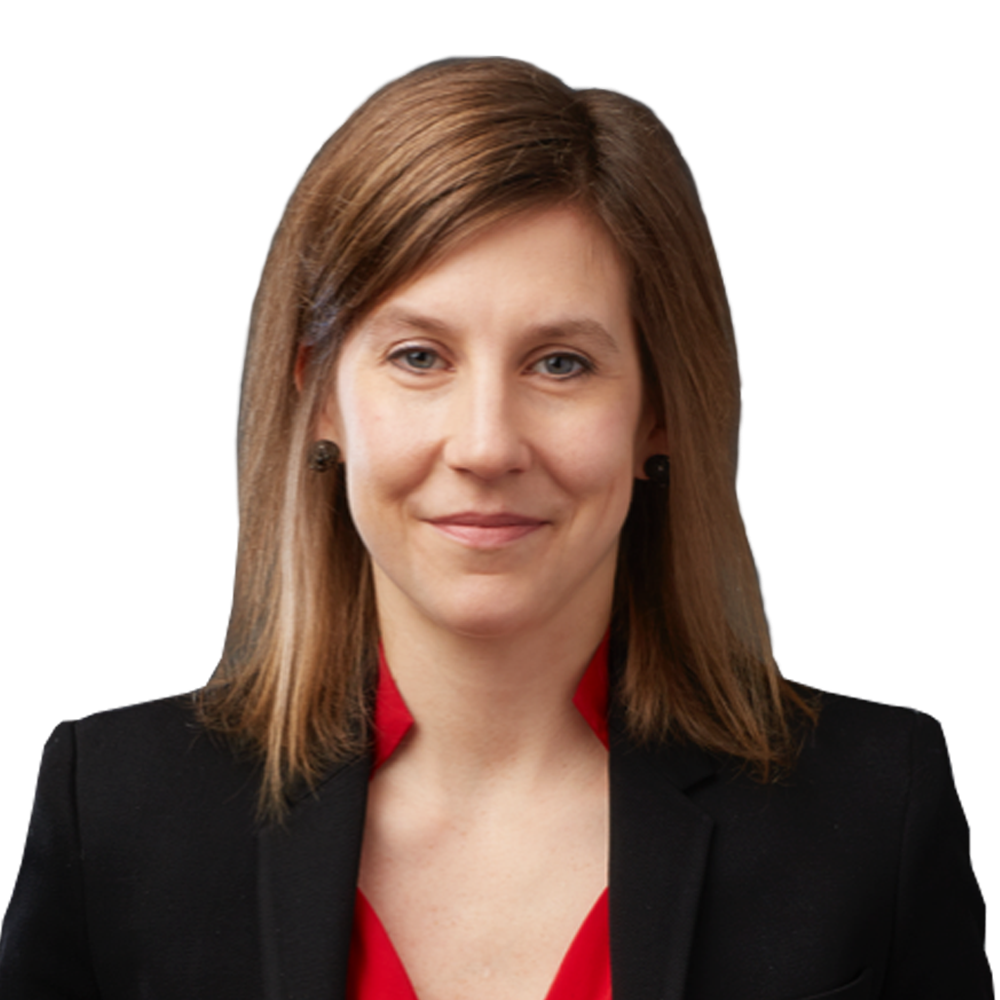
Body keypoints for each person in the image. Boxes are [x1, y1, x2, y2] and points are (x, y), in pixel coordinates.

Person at [0, 58, 992, 1000]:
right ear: (320, 399)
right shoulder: (115, 820)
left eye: (560, 363)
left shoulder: (871, 812)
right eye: (419, 357)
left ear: (658, 414)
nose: (485, 445)